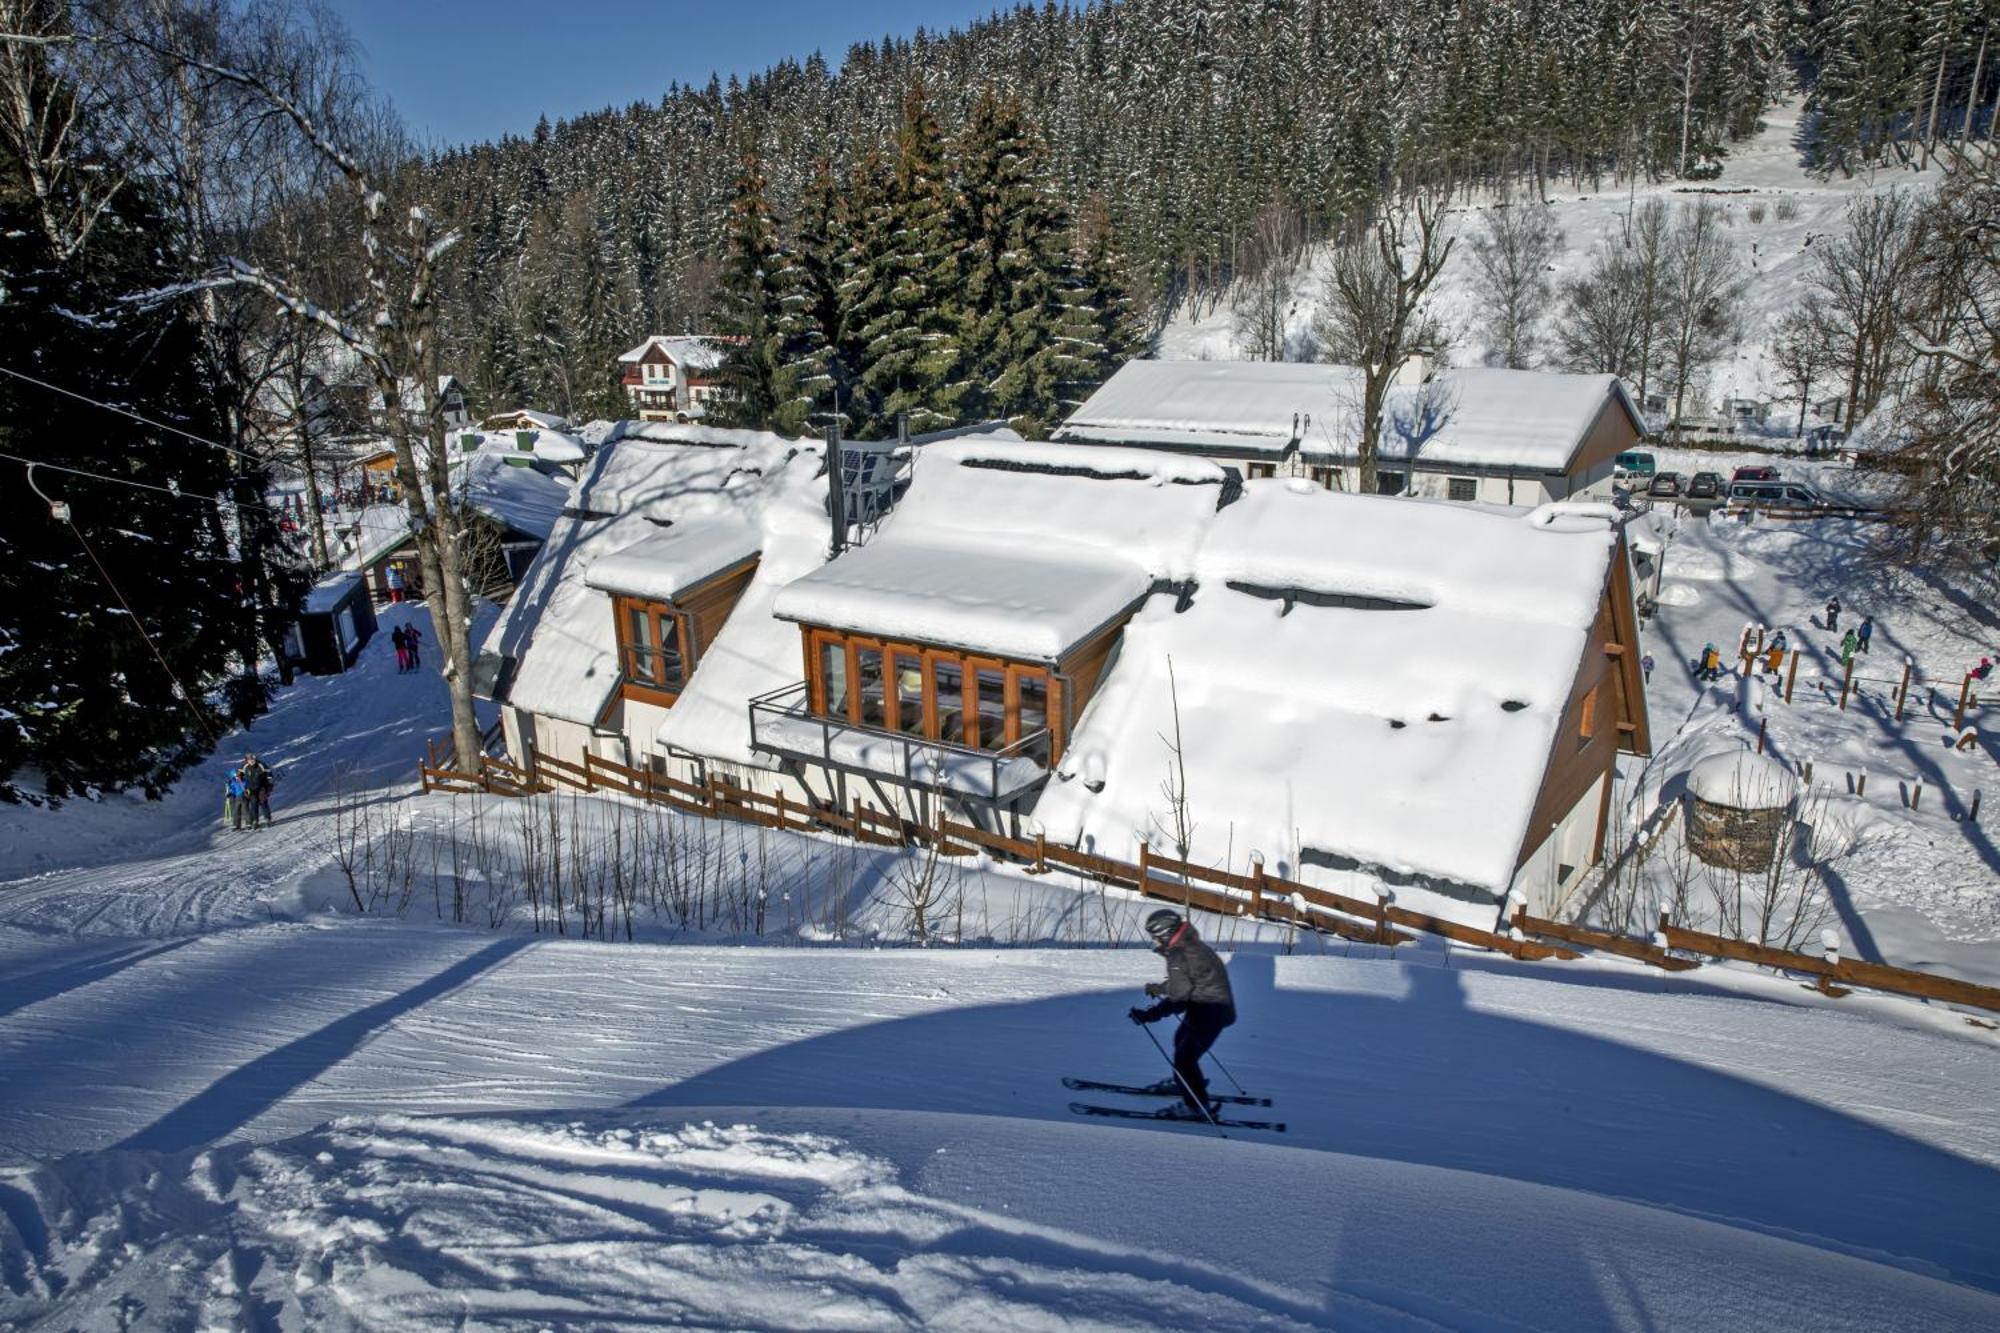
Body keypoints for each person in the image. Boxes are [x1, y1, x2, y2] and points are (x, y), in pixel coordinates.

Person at [1128, 909, 1235, 1117]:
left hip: (1210, 1011)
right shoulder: (1189, 946)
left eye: (1155, 937)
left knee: (1185, 1058)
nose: (1155, 942)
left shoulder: (1178, 953)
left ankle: (1195, 1106)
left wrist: (1149, 1015)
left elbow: (1178, 999)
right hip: (1209, 1008)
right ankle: (1185, 1083)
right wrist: (1160, 989)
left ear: (1166, 934)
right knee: (1181, 1044)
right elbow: (1185, 982)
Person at [239, 754, 273, 829]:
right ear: (247, 760)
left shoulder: (261, 765)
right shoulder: (245, 766)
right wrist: (240, 779)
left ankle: (268, 819)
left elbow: (269, 774)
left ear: (255, 759)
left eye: (253, 760)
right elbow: (239, 774)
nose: (251, 761)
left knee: (263, 802)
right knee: (254, 804)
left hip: (261, 787)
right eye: (249, 760)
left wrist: (269, 785)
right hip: (251, 788)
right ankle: (255, 821)